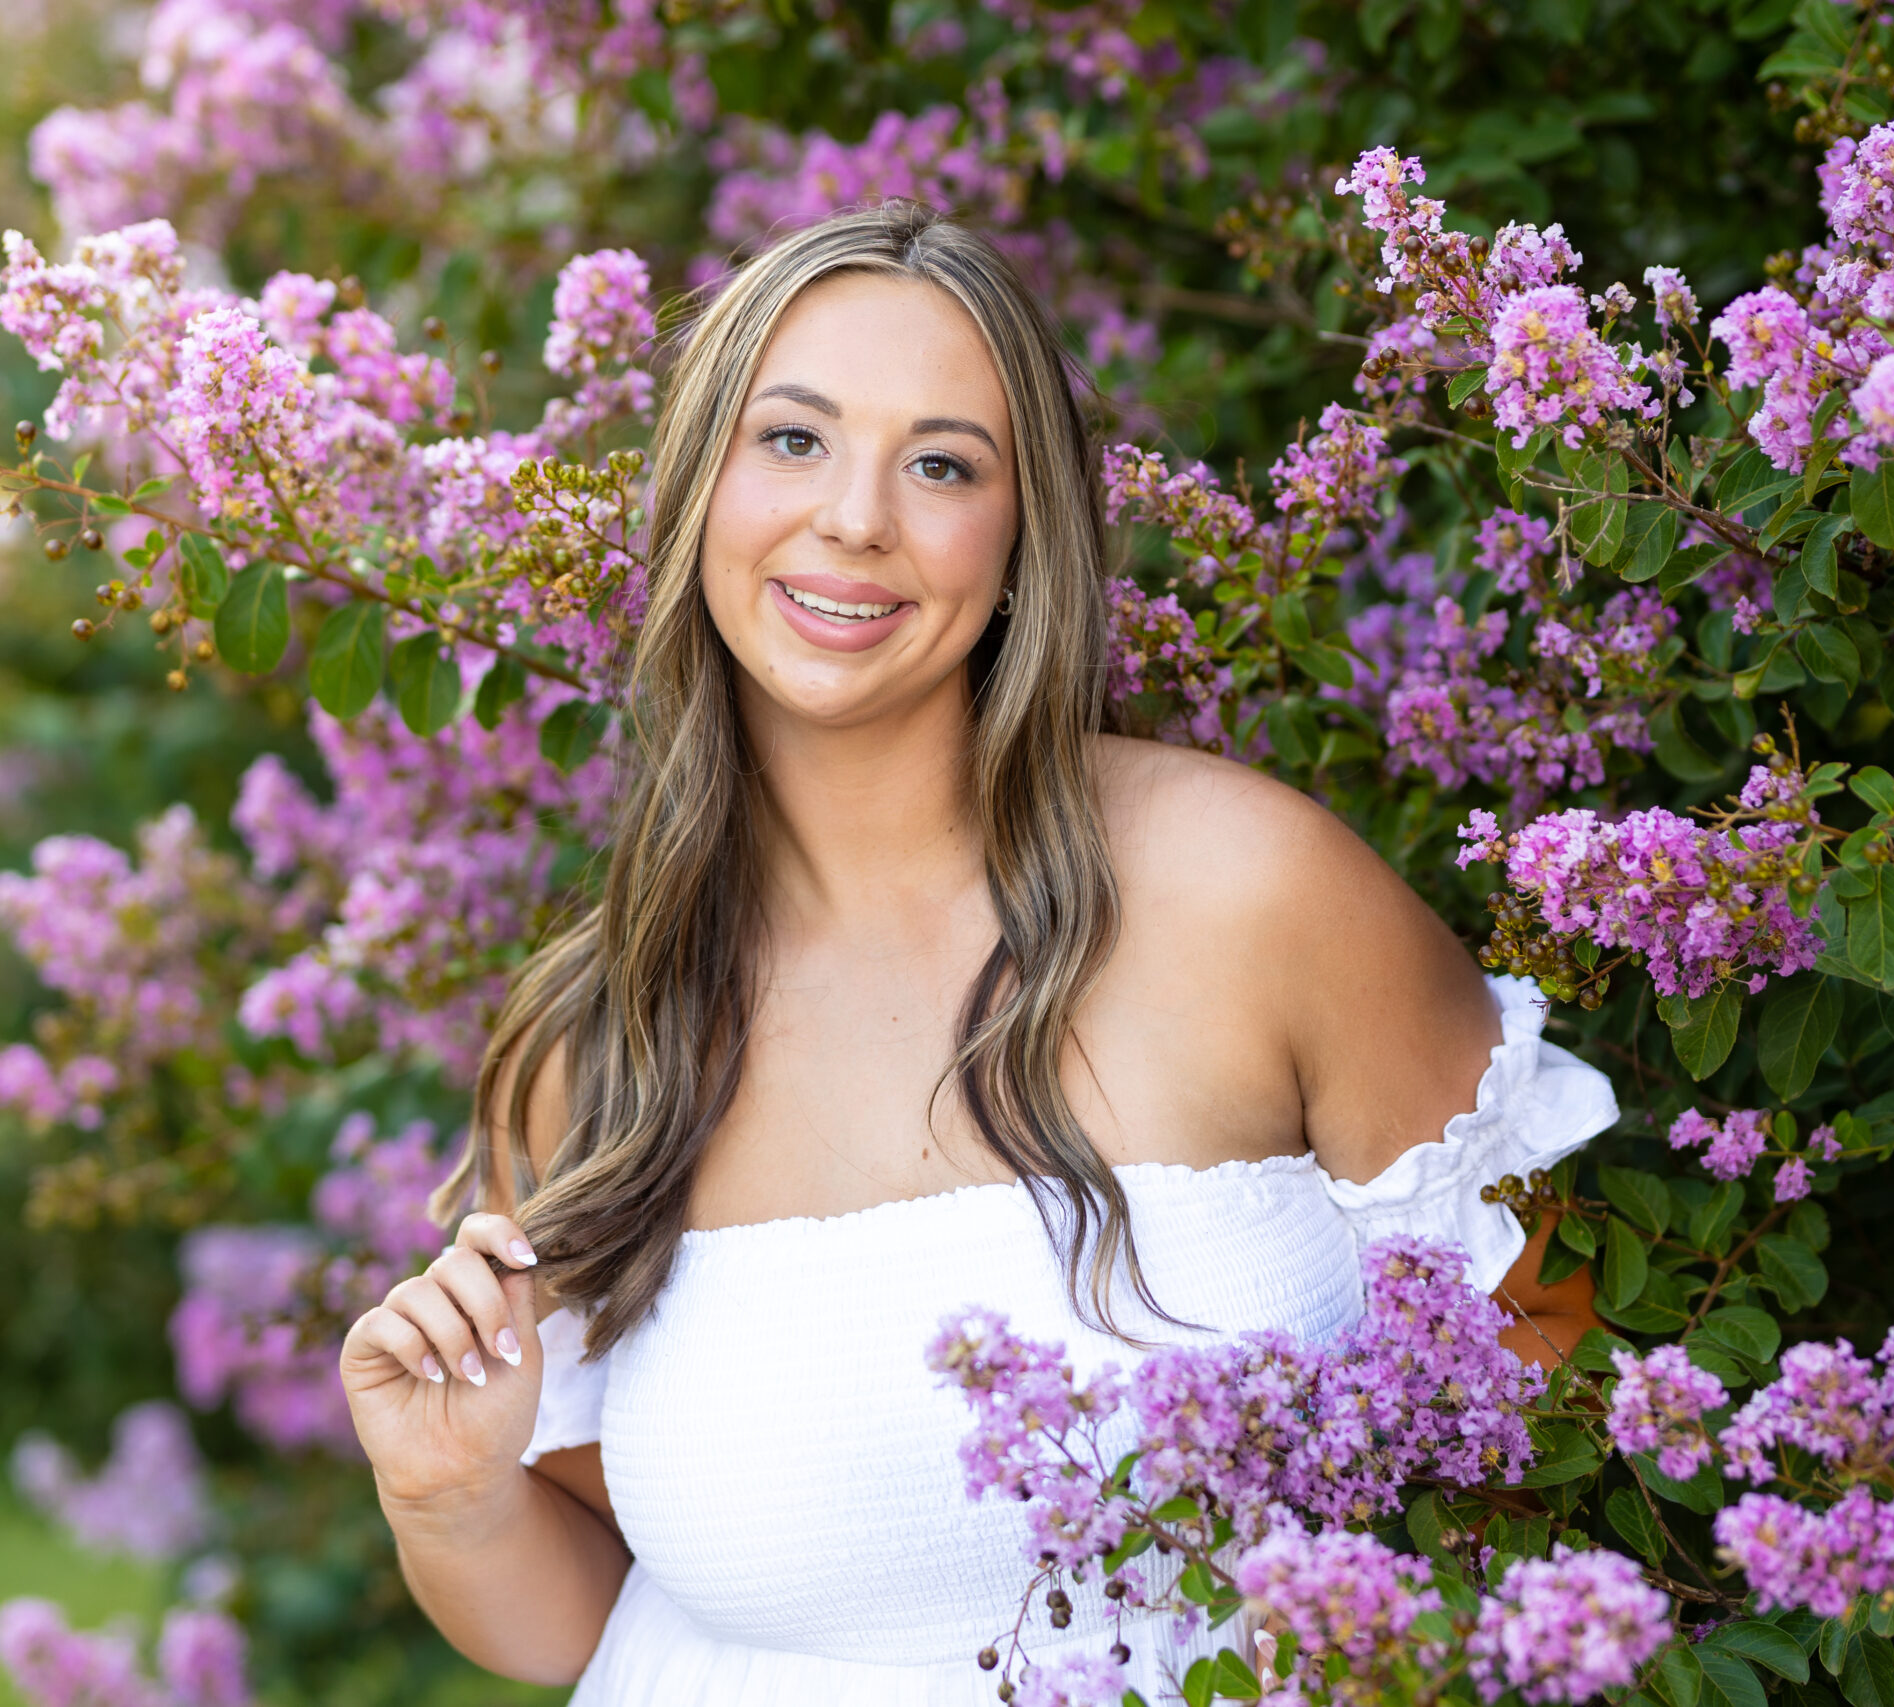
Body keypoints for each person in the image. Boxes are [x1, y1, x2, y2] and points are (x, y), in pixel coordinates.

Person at [337, 201, 1616, 1703]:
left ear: (1020, 543)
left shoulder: (1252, 893)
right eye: (792, 441)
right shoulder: (599, 1047)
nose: (857, 519)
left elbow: (1553, 1369)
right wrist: (449, 1500)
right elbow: (599, 1622)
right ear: (695, 495)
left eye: (941, 464)